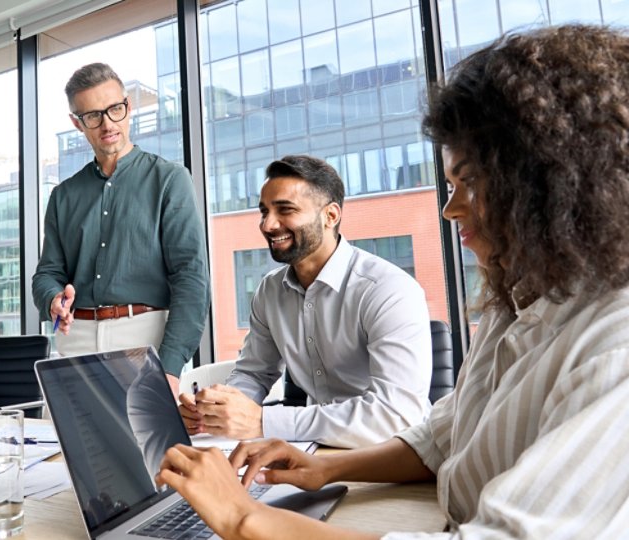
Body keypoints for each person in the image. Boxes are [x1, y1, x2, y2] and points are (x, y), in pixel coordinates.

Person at [156, 24, 629, 539]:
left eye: (468, 181)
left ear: (551, 181)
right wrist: (322, 466)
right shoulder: (512, 302)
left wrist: (243, 515)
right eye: (450, 185)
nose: (449, 208)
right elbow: (442, 437)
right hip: (387, 484)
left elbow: (400, 420)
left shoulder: (614, 344)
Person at [179, 155, 432, 447]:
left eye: (285, 210)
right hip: (315, 447)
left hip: (391, 453)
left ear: (330, 216)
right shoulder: (270, 291)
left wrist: (262, 421)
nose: (268, 225)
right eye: (264, 212)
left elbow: (395, 415)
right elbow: (253, 374)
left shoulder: (388, 289)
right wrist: (218, 411)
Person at [31, 62, 210, 396]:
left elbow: (191, 279)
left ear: (128, 107)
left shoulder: (170, 180)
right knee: (67, 431)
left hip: (144, 338)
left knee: (144, 432)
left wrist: (170, 367)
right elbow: (47, 274)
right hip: (76, 339)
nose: (107, 124)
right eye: (92, 116)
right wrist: (53, 298)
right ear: (77, 123)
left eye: (115, 109)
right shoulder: (63, 195)